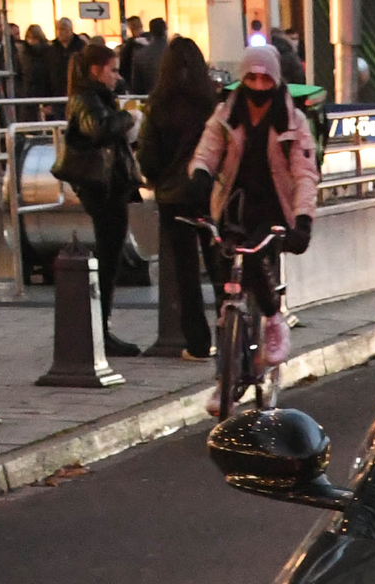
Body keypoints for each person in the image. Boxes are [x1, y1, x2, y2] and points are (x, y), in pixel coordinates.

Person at [187, 39, 317, 382]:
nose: (258, 86)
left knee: (259, 267)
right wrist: (200, 176)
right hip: (234, 203)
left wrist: (303, 220)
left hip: (273, 207)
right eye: (251, 79)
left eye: (265, 79)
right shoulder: (225, 114)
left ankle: (274, 319)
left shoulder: (293, 121)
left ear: (276, 81)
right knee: (225, 285)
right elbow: (208, 150)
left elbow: (304, 174)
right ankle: (226, 376)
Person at [59, 38, 141, 354]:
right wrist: (128, 118)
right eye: (114, 70)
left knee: (111, 256)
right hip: (101, 188)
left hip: (109, 187)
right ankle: (100, 330)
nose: (118, 77)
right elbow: (99, 129)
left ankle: (101, 327)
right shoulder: (86, 99)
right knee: (107, 258)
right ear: (97, 70)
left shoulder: (97, 96)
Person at [138, 35, 218, 358]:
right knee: (219, 268)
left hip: (173, 198)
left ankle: (197, 342)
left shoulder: (158, 105)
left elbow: (148, 158)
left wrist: (157, 180)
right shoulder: (210, 103)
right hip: (208, 192)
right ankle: (232, 336)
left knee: (186, 275)